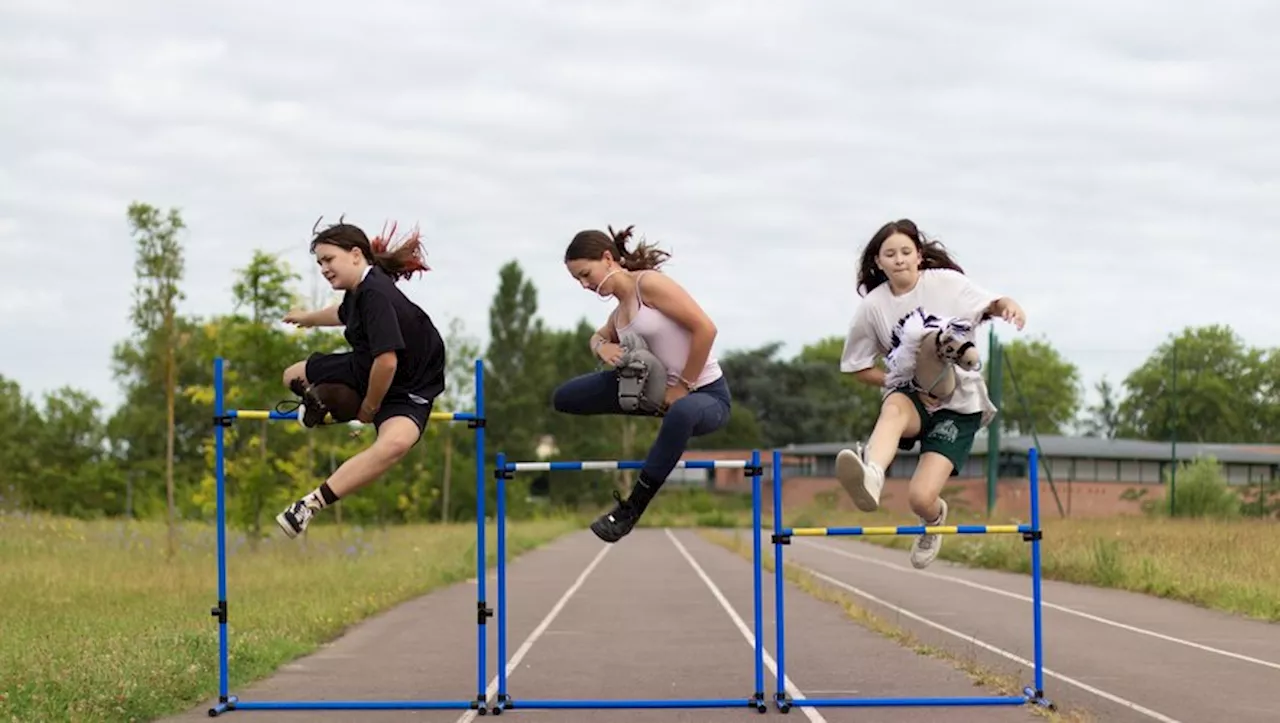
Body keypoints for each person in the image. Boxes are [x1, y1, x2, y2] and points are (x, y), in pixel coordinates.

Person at [836, 219, 1025, 569]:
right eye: (890, 254)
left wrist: (1009, 305)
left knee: (920, 497)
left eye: (906, 252)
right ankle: (872, 475)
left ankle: (933, 521)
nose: (899, 260)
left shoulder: (946, 284)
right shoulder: (872, 308)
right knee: (893, 407)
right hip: (911, 394)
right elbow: (856, 367)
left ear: (919, 256)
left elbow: (990, 303)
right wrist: (894, 379)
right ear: (878, 262)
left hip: (958, 404)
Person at [554, 225, 732, 543]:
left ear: (608, 258)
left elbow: (706, 329)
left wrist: (683, 387)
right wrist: (601, 346)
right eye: (577, 280)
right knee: (566, 397)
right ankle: (646, 398)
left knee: (681, 414)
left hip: (705, 396)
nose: (584, 285)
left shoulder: (647, 285)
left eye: (585, 274)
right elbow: (597, 336)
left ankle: (629, 510)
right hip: (660, 397)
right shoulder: (619, 314)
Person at [275, 219, 446, 538]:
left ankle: (308, 505)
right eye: (319, 263)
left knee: (395, 445)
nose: (324, 268)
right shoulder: (359, 290)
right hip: (366, 367)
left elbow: (388, 362)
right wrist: (307, 319)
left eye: (329, 259)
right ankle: (322, 408)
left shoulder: (376, 294)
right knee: (292, 376)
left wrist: (369, 407)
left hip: (409, 386)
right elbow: (342, 314)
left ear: (355, 255)